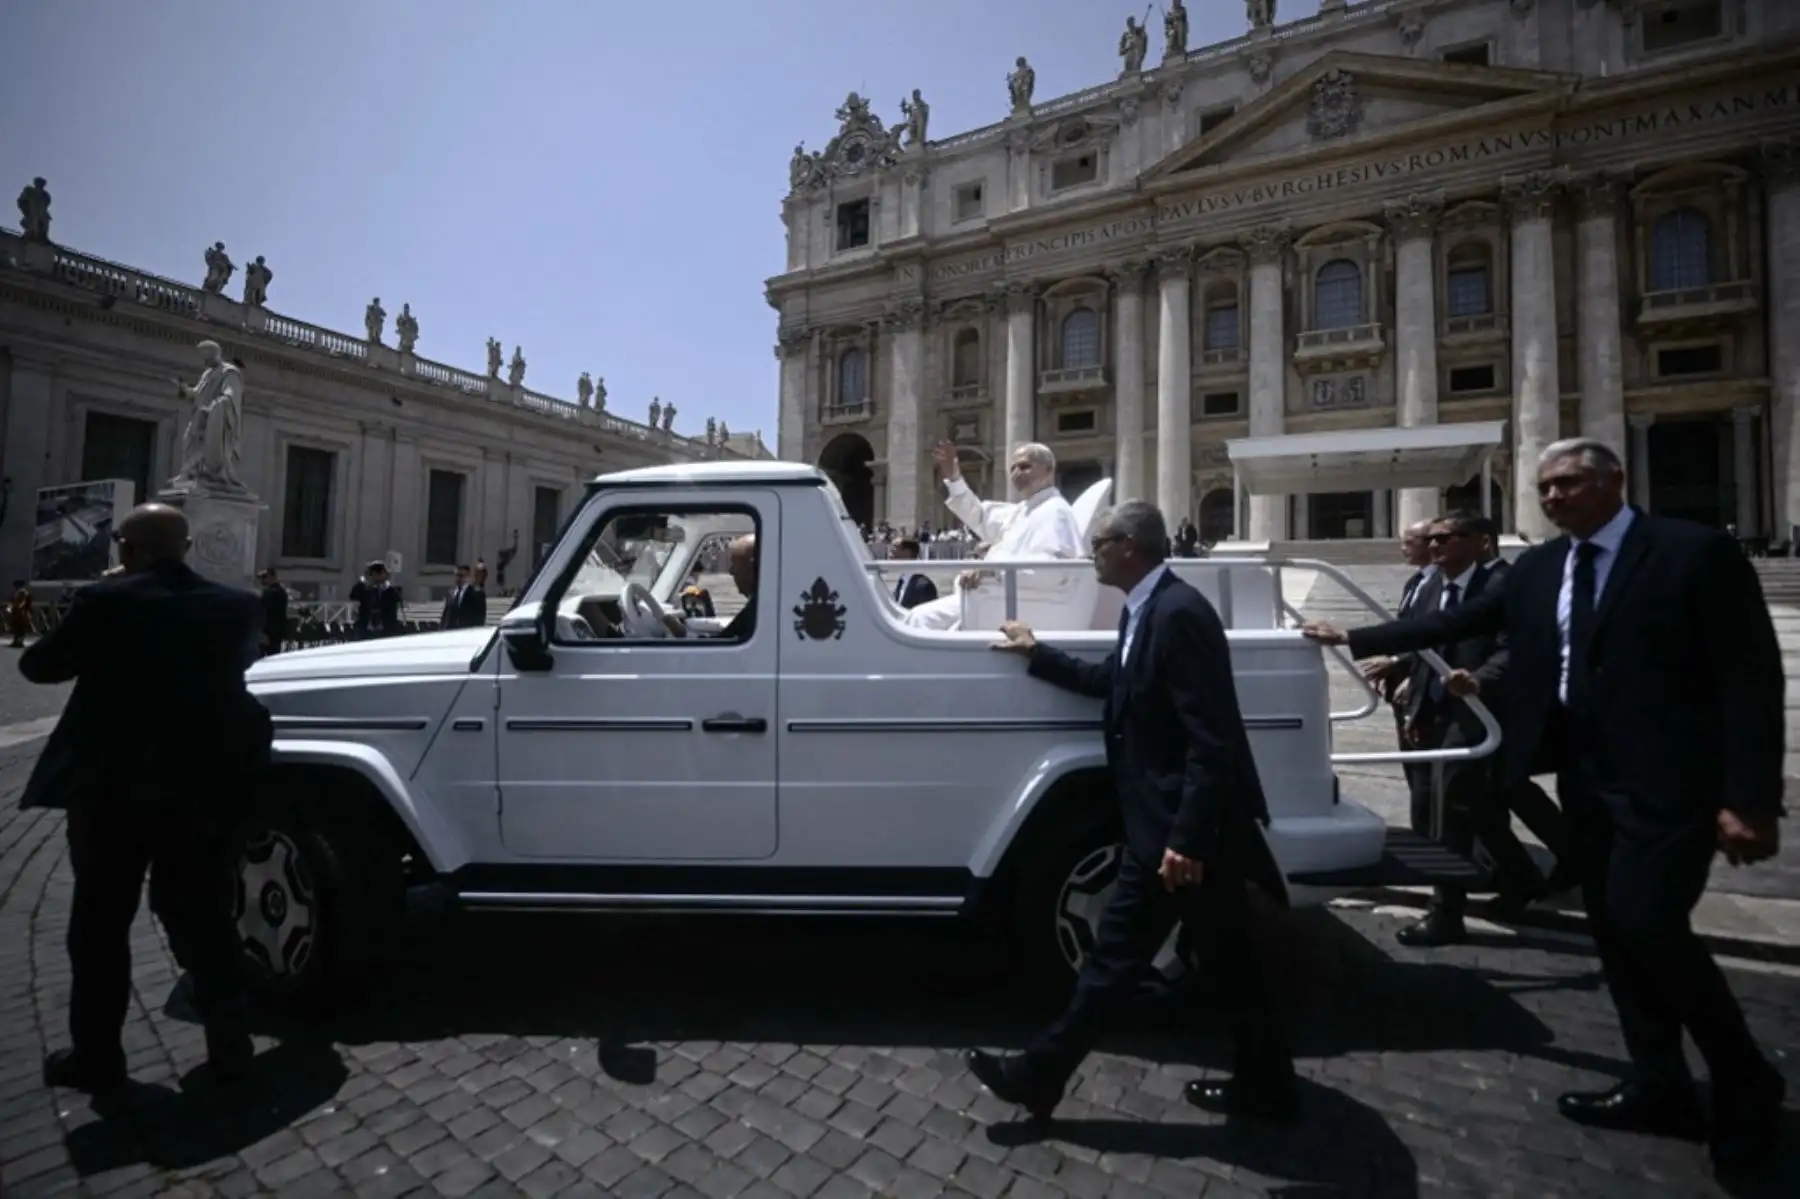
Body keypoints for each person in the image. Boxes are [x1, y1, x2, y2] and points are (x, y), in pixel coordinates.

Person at [1303, 438, 1785, 1173]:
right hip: (1585, 774)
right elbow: (1443, 626)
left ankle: (1747, 1078)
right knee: (1615, 933)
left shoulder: (1691, 553)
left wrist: (1750, 797)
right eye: (1546, 487)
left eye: (1569, 483)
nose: (1555, 496)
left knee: (1648, 924)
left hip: (1671, 777)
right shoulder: (1543, 567)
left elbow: (1749, 677)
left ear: (1614, 481)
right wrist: (1353, 633)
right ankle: (1659, 1081)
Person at [975, 501, 1296, 1122]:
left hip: (1181, 832)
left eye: (1098, 542)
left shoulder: (1178, 614)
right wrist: (1036, 653)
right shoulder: (1146, 607)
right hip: (1186, 828)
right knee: (1231, 963)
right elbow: (1116, 688)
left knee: (1115, 957)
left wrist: (1186, 839)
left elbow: (1212, 740)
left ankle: (1038, 1074)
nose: (1088, 552)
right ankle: (1269, 1085)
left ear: (1128, 545)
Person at [22, 503, 271, 1092]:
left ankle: (98, 1060)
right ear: (186, 547)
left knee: (100, 927)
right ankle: (231, 1050)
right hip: (204, 791)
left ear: (127, 551)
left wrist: (99, 595)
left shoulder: (105, 603)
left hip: (113, 793)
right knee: (204, 919)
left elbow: (39, 666)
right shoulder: (237, 606)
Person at [905, 441, 1083, 631]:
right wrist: (954, 477)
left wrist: (990, 570)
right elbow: (979, 515)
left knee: (920, 620)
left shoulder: (1055, 512)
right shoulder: (1025, 509)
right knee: (913, 618)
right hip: (989, 597)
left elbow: (1050, 572)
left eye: (1025, 466)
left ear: (1049, 470)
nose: (1016, 473)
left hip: (1010, 603)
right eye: (1013, 468)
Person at [350, 560, 401, 637]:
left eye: (382, 574)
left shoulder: (390, 590)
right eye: (375, 574)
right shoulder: (363, 588)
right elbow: (353, 596)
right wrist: (364, 582)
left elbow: (397, 600)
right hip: (366, 627)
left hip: (386, 628)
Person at [887, 537, 938, 610]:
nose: (891, 550)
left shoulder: (924, 586)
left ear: (908, 552)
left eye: (895, 547)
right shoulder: (902, 581)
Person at [440, 563, 485, 630]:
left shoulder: (477, 594)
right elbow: (445, 615)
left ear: (468, 577)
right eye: (456, 575)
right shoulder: (451, 593)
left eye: (461, 576)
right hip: (450, 633)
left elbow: (480, 618)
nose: (458, 578)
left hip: (466, 632)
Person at [257, 567, 288, 656]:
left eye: (264, 577)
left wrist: (264, 632)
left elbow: (267, 613)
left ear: (272, 577)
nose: (262, 581)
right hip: (277, 631)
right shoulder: (281, 591)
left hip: (269, 632)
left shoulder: (270, 593)